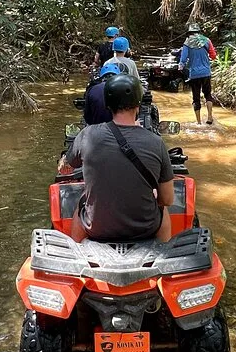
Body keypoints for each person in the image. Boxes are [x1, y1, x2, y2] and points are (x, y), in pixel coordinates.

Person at [61, 74, 174, 243]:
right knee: (163, 208)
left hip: (97, 229)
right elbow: (167, 199)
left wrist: (63, 163)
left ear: (108, 105)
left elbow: (66, 166)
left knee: (81, 204)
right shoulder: (156, 142)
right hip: (145, 228)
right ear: (138, 105)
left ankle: (77, 255)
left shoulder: (87, 135)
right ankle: (164, 255)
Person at [179, 22, 217, 124]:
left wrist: (181, 66)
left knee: (196, 98)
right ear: (199, 32)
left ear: (190, 32)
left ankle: (199, 122)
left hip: (194, 74)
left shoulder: (187, 42)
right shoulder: (207, 40)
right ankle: (209, 117)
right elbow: (213, 56)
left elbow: (183, 59)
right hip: (206, 73)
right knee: (208, 95)